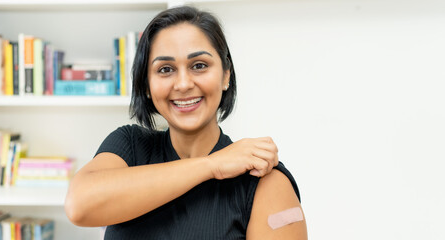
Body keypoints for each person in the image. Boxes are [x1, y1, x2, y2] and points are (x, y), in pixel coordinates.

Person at [65, 6, 307, 240]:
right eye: (165, 69)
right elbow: (80, 205)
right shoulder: (130, 146)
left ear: (225, 75)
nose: (182, 84)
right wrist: (212, 166)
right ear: (146, 85)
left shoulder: (263, 179)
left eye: (199, 66)